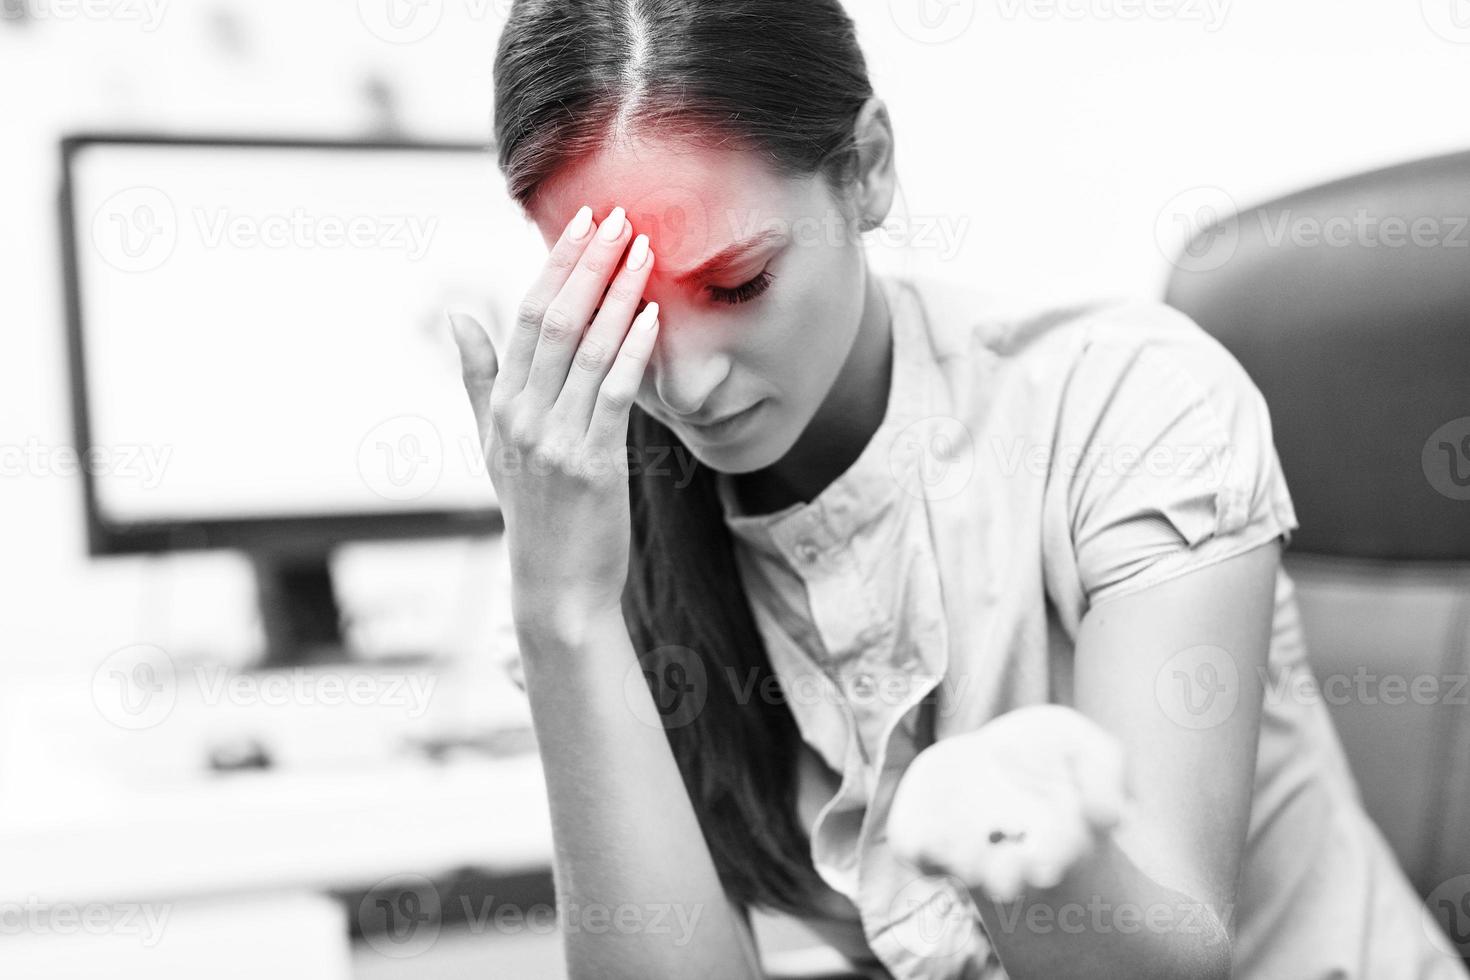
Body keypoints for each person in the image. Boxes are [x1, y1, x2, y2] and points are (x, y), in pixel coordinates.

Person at [445, 1, 1469, 977]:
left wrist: (1027, 860)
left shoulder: (1130, 404)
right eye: (624, 313)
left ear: (868, 169)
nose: (689, 381)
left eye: (739, 283)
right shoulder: (591, 532)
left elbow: (1171, 959)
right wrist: (565, 613)